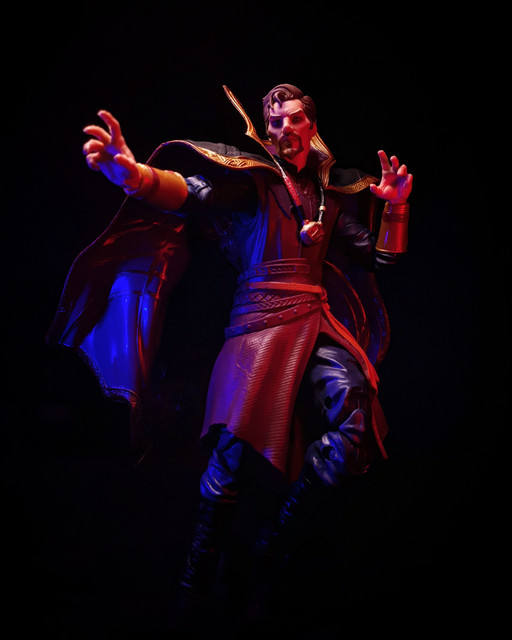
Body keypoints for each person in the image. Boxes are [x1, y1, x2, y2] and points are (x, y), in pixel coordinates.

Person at [48, 84, 412, 598]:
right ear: (266, 132)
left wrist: (396, 208)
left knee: (356, 419)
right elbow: (193, 193)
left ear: (311, 126)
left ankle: (272, 544)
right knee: (231, 457)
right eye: (275, 122)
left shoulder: (330, 196)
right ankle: (196, 575)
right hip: (257, 326)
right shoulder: (253, 182)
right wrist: (135, 175)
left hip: (313, 320)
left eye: (294, 119)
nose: (285, 129)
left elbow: (381, 258)